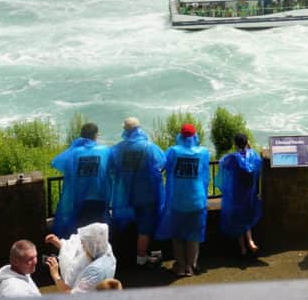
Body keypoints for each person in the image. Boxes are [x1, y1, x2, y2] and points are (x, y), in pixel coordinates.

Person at [107, 117, 165, 267]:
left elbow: (111, 167)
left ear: (125, 130)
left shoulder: (118, 148)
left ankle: (135, 253)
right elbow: (162, 162)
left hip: (127, 194)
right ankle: (141, 257)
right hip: (147, 193)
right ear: (139, 128)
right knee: (145, 226)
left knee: (132, 223)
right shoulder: (148, 146)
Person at [155, 123, 211, 277]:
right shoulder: (203, 152)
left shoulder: (173, 151)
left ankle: (180, 266)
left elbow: (159, 164)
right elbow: (205, 174)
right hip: (197, 200)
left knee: (177, 235)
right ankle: (190, 266)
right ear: (195, 136)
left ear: (180, 135)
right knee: (193, 235)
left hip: (177, 200)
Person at [52, 123, 111, 237]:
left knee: (81, 230)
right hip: (100, 197)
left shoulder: (74, 152)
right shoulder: (105, 150)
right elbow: (112, 167)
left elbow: (57, 162)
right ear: (95, 135)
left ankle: (83, 253)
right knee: (100, 230)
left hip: (80, 198)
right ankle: (99, 253)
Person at [218, 133, 263, 255]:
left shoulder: (233, 157)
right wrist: (250, 147)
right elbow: (259, 163)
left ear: (235, 144)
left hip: (236, 193)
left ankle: (243, 248)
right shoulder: (253, 155)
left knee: (238, 221)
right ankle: (251, 241)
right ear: (247, 142)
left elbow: (222, 163)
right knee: (246, 219)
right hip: (250, 193)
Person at [45, 223, 117, 293]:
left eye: (84, 243)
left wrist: (56, 275)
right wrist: (60, 244)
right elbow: (77, 248)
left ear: (92, 246)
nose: (82, 245)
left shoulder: (94, 273)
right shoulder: (103, 248)